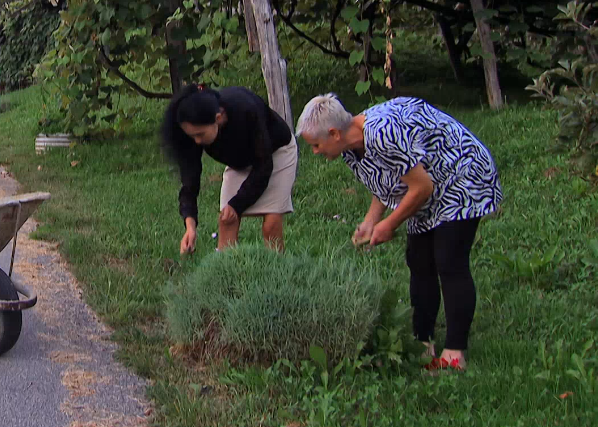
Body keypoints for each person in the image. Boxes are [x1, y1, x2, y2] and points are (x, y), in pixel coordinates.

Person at [295, 94, 502, 372]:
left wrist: (389, 224)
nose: (315, 152)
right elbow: (388, 177)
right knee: (419, 260)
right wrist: (372, 219)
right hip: (426, 181)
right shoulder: (349, 145)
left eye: (316, 145)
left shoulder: (383, 134)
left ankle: (454, 354)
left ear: (333, 133)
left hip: (460, 175)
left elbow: (422, 188)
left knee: (449, 261)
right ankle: (422, 343)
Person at [161, 84, 298, 254]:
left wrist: (236, 204)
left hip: (276, 154)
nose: (196, 141)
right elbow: (190, 181)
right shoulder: (195, 131)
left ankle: (279, 271)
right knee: (227, 220)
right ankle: (225, 272)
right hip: (240, 163)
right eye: (192, 136)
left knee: (270, 224)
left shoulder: (245, 109)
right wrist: (190, 226)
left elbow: (264, 166)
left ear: (218, 118)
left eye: (200, 134)